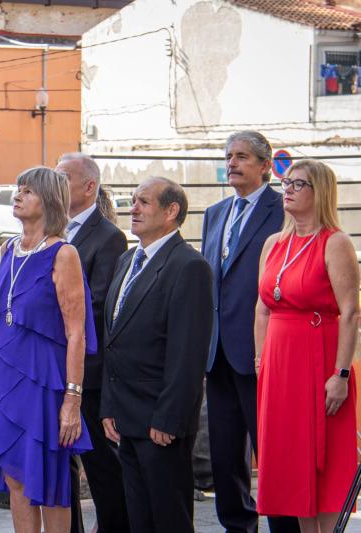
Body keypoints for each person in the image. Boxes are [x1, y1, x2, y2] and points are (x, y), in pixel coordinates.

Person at [0, 167, 97, 533]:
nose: (17, 196)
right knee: (15, 480)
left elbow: (77, 334)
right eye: (18, 190)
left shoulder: (63, 254)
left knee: (49, 483)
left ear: (49, 200)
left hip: (43, 383)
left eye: (27, 191)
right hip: (3, 382)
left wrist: (72, 399)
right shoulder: (8, 249)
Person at [100, 177, 213, 533]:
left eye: (143, 202)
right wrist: (108, 407)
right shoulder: (127, 260)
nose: (132, 209)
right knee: (140, 519)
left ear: (171, 211)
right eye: (132, 201)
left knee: (169, 519)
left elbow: (188, 353)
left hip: (160, 422)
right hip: (125, 417)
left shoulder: (188, 266)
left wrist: (169, 418)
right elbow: (113, 339)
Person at [201, 131, 300, 533]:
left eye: (242, 156)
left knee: (272, 452)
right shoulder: (215, 212)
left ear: (265, 166)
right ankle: (237, 526)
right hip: (218, 352)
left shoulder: (284, 210)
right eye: (228, 156)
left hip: (264, 352)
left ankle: (284, 527)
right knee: (225, 455)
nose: (232, 164)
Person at [255, 160, 359, 533]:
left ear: (320, 193)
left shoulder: (336, 242)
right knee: (290, 462)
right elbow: (263, 308)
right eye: (286, 183)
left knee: (325, 463)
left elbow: (350, 312)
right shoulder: (274, 243)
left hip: (319, 360)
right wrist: (260, 359)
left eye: (299, 184)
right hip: (279, 367)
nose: (288, 190)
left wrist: (341, 374)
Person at [56, 153, 129, 533]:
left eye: (63, 177)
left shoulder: (108, 237)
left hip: (90, 372)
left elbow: (98, 303)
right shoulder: (52, 230)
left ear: (89, 187)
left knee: (101, 463)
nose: (55, 183)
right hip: (53, 366)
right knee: (60, 463)